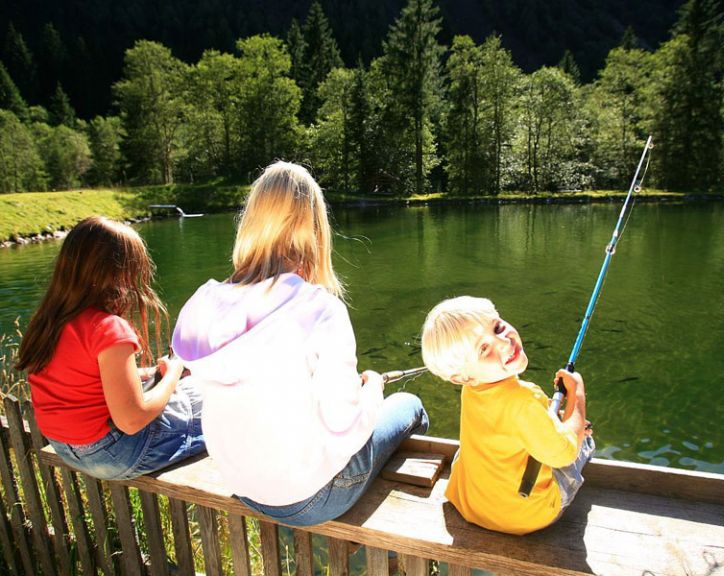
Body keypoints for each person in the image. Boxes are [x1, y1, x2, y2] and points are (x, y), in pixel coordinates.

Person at [172, 161, 428, 526]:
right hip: (313, 498)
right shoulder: (319, 308)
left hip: (244, 487)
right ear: (315, 228)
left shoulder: (206, 304)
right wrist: (370, 390)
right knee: (409, 405)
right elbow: (344, 425)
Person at [16, 216, 205, 480]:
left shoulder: (50, 320)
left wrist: (148, 372)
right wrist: (173, 373)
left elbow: (84, 379)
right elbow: (131, 421)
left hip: (66, 448)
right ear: (118, 272)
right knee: (212, 396)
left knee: (190, 391)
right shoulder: (107, 328)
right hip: (118, 454)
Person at [421, 296, 594, 535]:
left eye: (498, 328)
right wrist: (577, 395)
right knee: (583, 441)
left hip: (470, 504)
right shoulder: (524, 399)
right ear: (464, 377)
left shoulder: (471, 388)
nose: (503, 342)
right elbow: (564, 454)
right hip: (525, 516)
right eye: (483, 349)